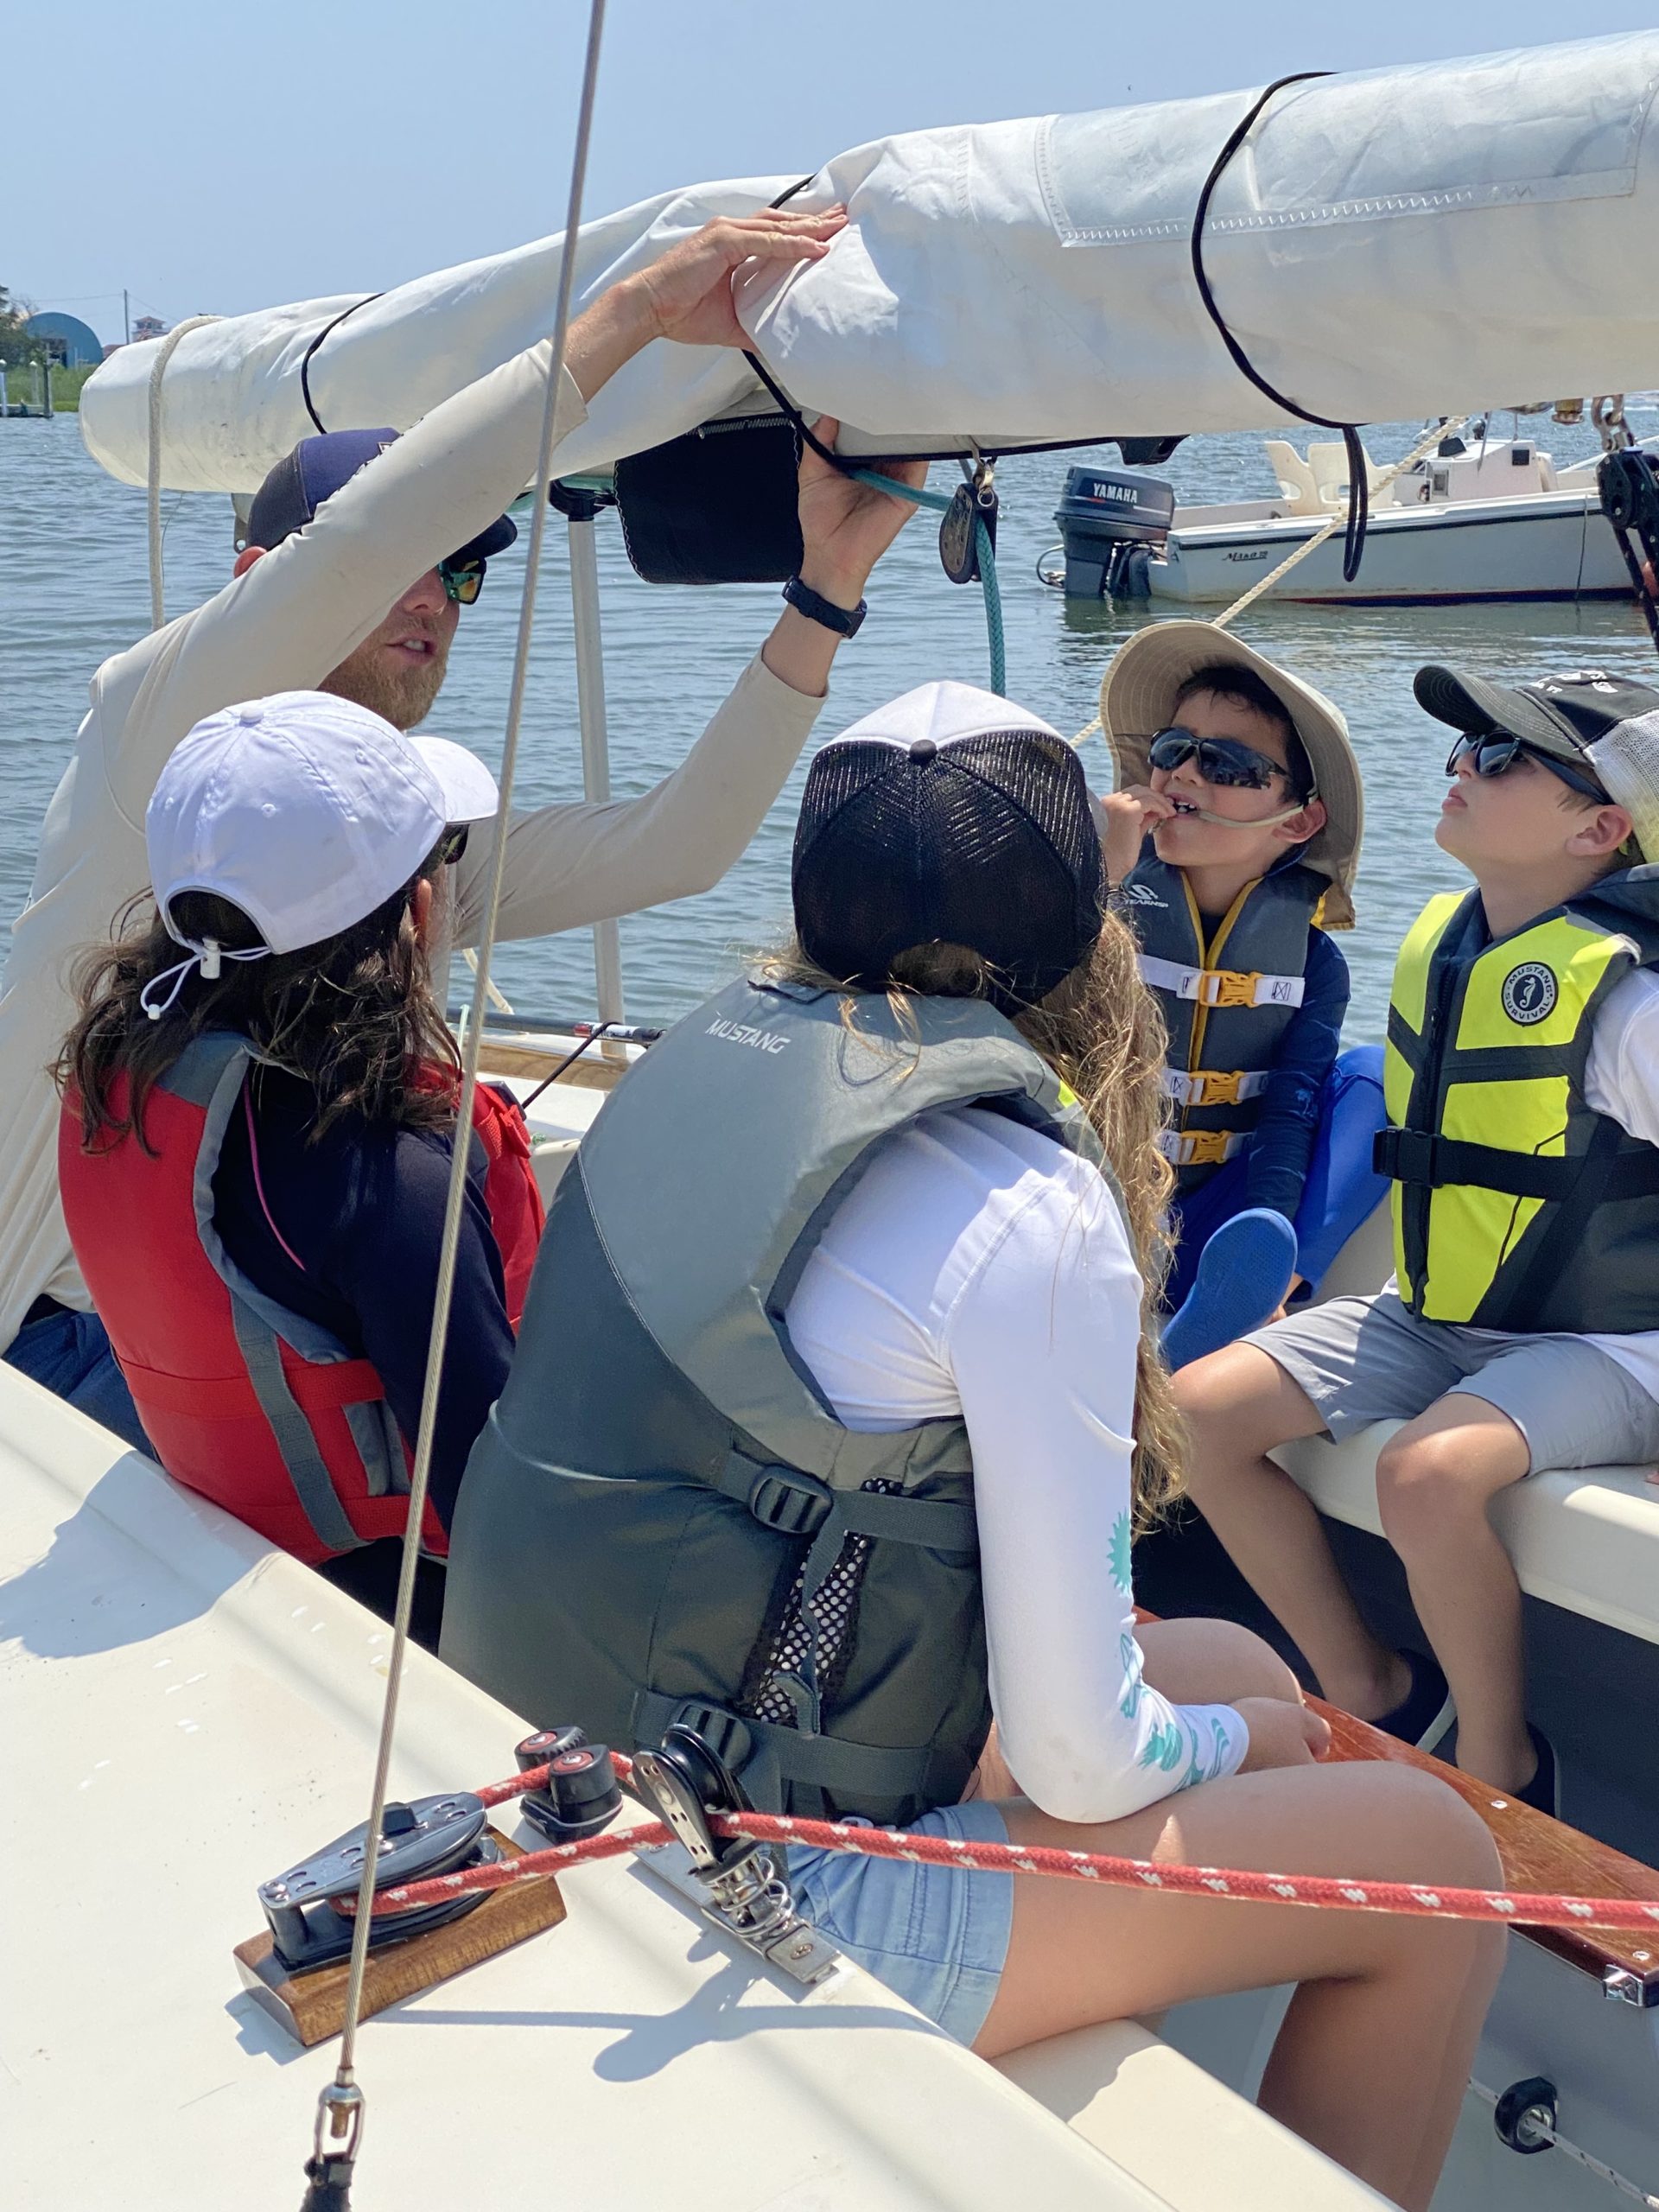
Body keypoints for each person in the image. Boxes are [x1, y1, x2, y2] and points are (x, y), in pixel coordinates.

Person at [442, 681, 1503, 2211]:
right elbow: (1079, 1760)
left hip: (568, 1764)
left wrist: (1235, 1726)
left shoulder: (706, 1060)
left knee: (1239, 1669)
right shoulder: (1024, 1198)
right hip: (740, 1872)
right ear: (1091, 923)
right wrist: (1250, 1756)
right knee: (1429, 1857)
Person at [2, 206, 922, 1447]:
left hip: (274, 1340)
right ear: (254, 587)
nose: (435, 593)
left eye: (463, 573)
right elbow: (376, 530)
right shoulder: (151, 736)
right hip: (64, 1355)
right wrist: (636, 315)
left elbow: (679, 847)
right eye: (412, 562)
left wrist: (827, 591)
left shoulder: (385, 855)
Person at [1175, 666, 1659, 1812]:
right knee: (1188, 1417)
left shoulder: (1631, 1010)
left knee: (1428, 1475)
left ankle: (1499, 1763)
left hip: (1614, 1346)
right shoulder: (1447, 947)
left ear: (1602, 826)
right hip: (1433, 1312)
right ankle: (1373, 1687)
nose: (1459, 767)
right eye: (1464, 747)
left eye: (1501, 758)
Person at [55, 692, 544, 1636]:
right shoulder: (392, 1178)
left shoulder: (120, 1071)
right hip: (381, 1607)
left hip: (209, 1531)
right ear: (416, 911)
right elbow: (500, 1518)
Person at [1098, 623, 1386, 1369]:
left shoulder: (1315, 965)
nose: (1184, 774)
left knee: (1376, 1078)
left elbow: (1289, 1115)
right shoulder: (1097, 904)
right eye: (1172, 750)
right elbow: (1036, 1014)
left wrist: (1264, 1223)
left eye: (1225, 763)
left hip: (1214, 1216)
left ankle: (1263, 1286)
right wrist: (1094, 880)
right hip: (1094, 1196)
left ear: (1299, 820)